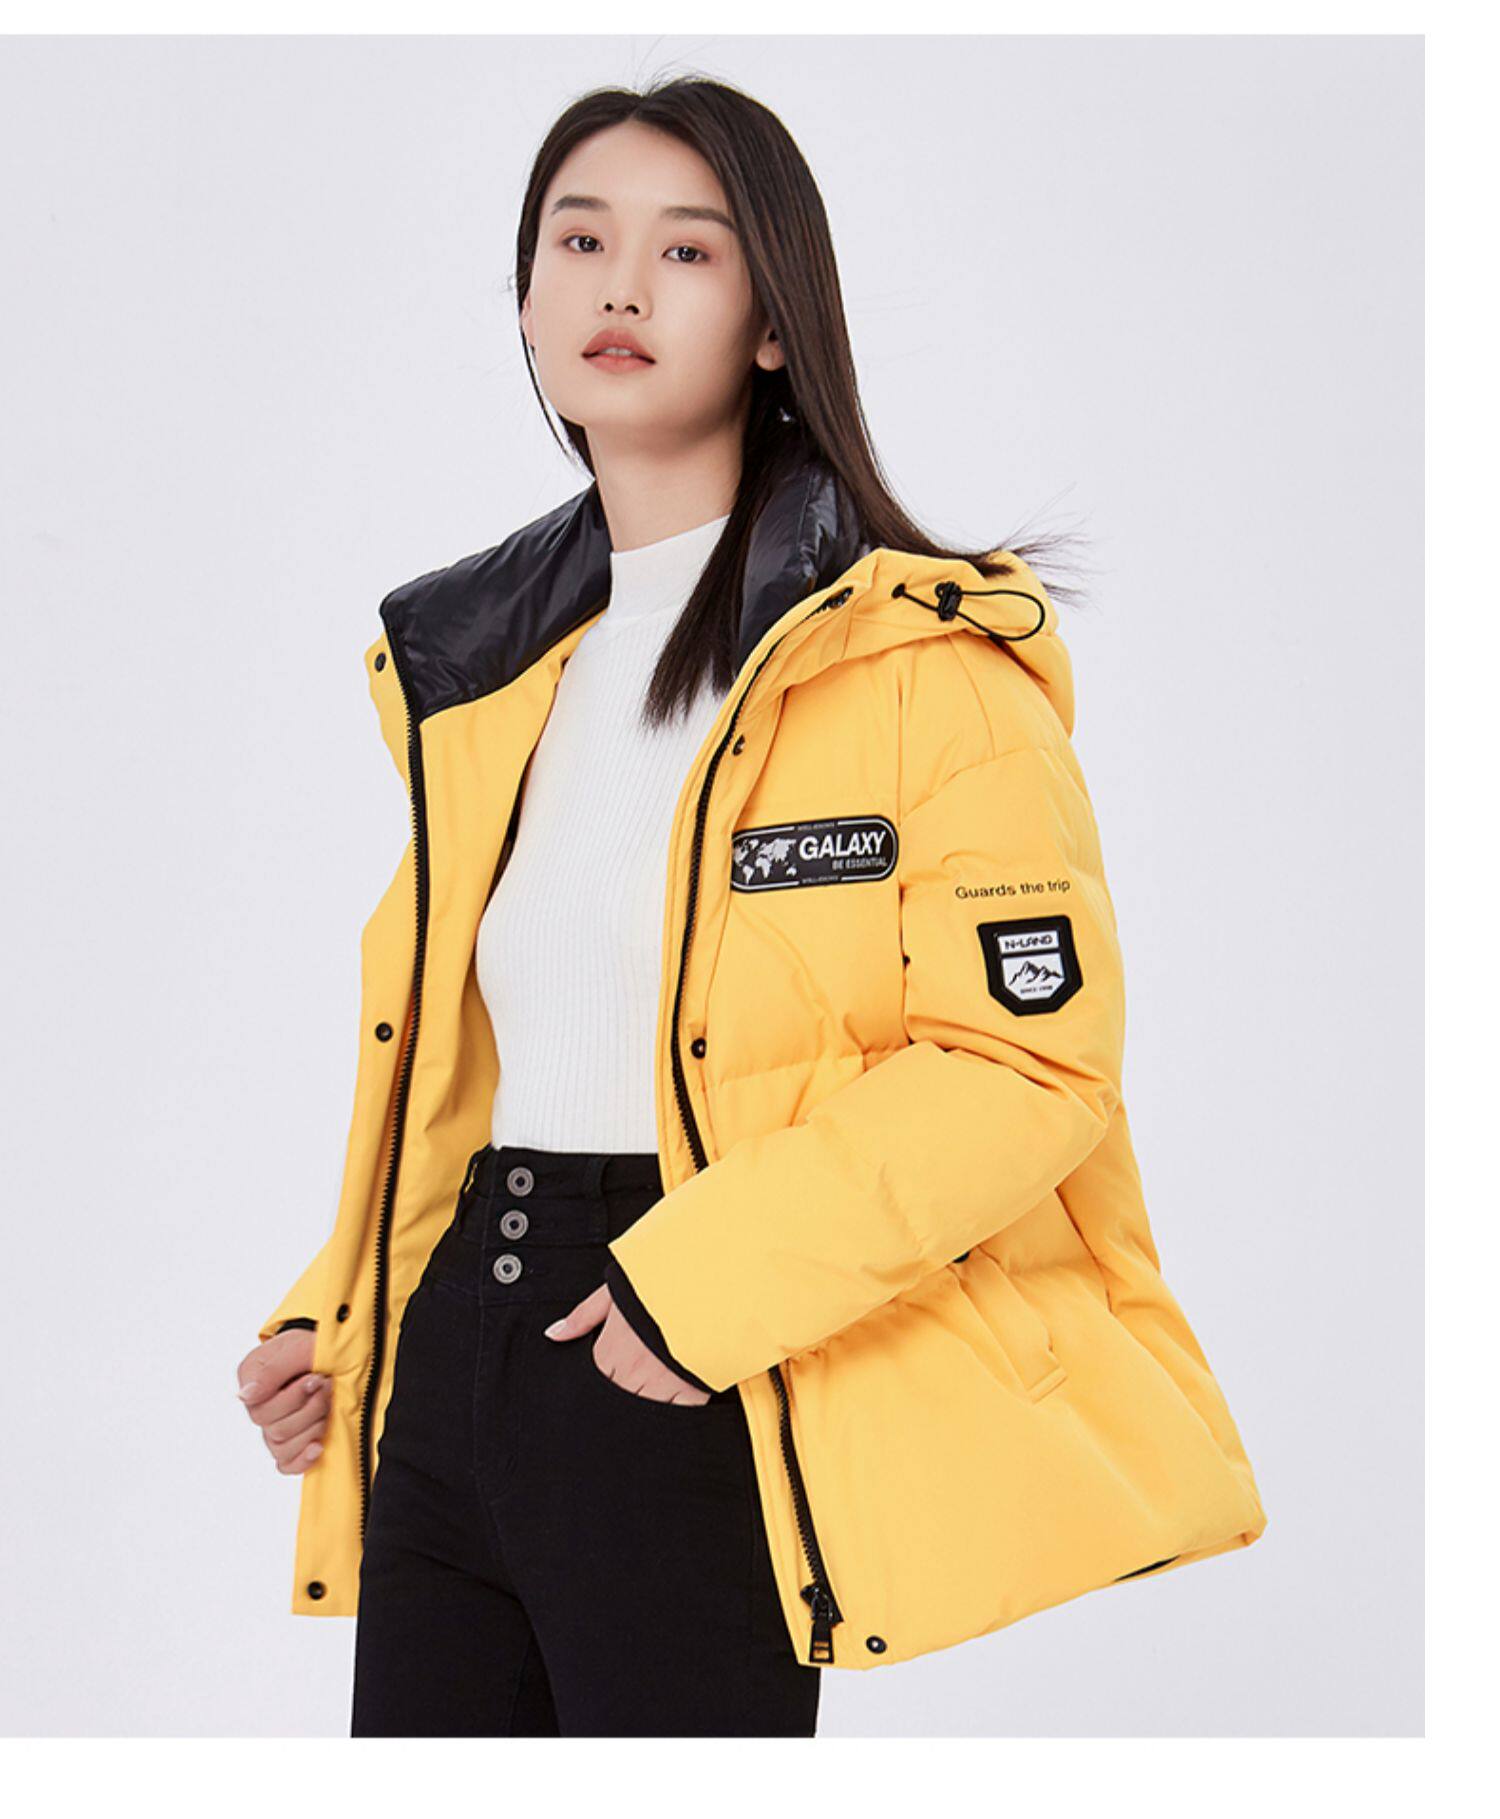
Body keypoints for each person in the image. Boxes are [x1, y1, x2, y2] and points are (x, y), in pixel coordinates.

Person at [235, 75, 1268, 1739]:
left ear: (776, 324)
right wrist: (339, 1304)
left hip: (697, 1344)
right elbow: (501, 1066)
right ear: (525, 300)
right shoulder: (484, 681)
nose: (621, 287)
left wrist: (693, 1293)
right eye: (580, 242)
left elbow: (1028, 1067)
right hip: (454, 1354)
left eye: (687, 252)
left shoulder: (926, 667)